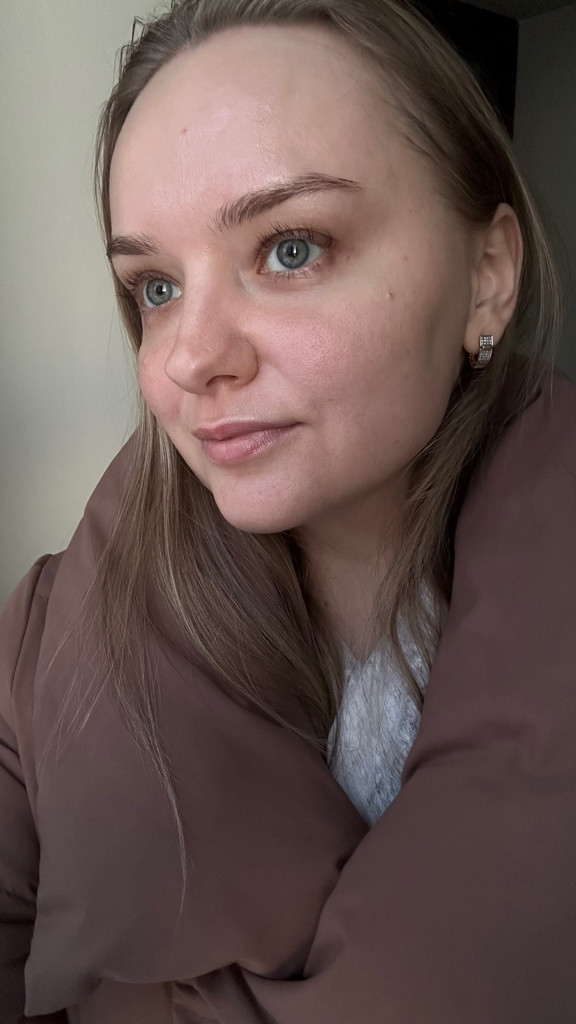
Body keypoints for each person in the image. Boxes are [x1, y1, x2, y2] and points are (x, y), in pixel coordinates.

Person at [1, 0, 574, 1021]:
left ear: (487, 276)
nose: (190, 357)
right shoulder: (41, 640)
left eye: (292, 248)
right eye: (156, 287)